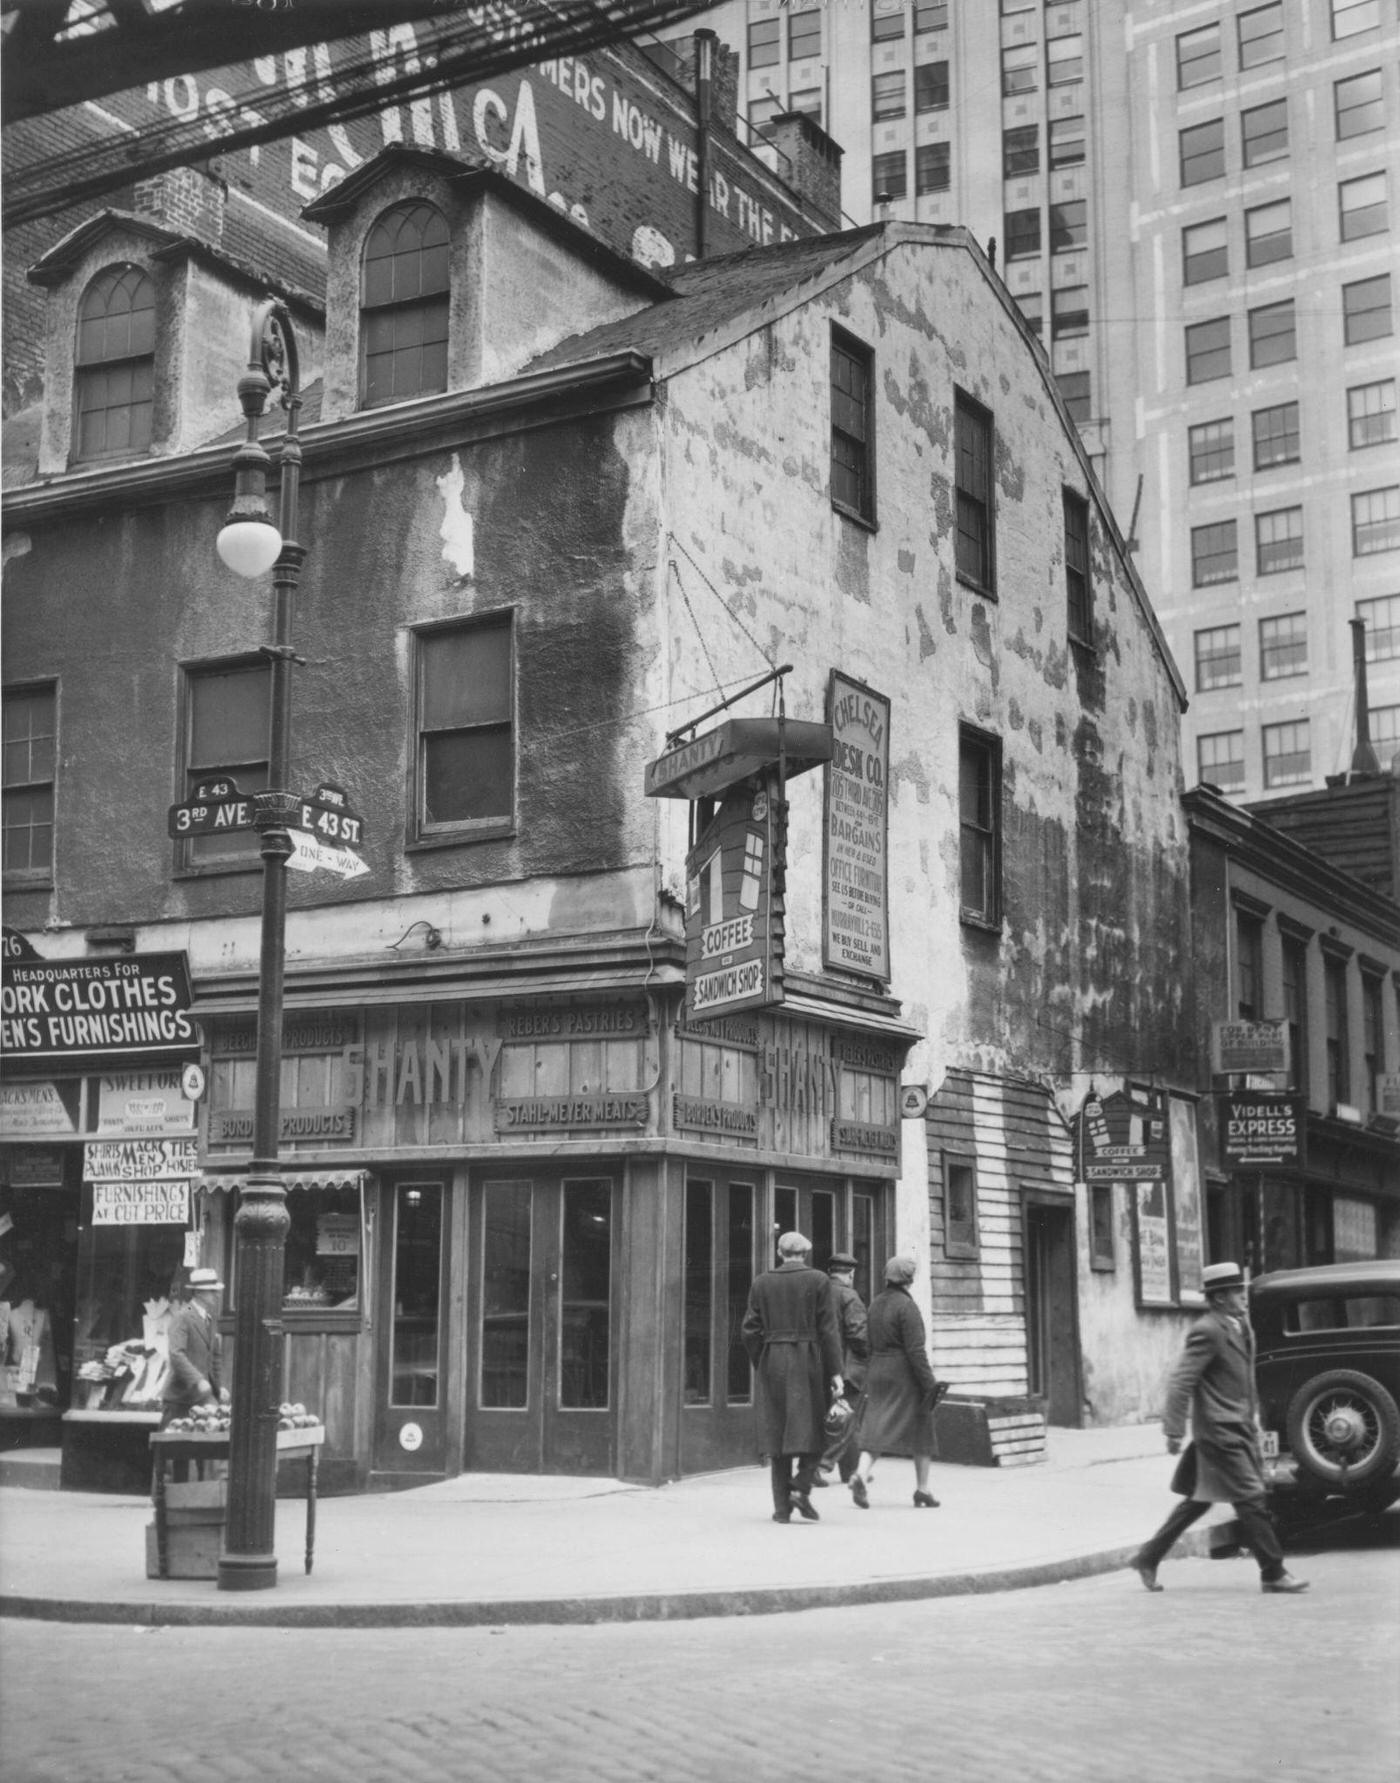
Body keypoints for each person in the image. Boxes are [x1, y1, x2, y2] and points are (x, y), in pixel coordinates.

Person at [1131, 1260, 1308, 1595]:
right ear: (1218, 1298)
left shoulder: (1241, 1327)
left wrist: (1255, 1419)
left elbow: (1244, 1380)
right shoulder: (1207, 1330)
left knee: (1198, 1501)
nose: (1243, 1296)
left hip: (1238, 1427)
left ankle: (1147, 1557)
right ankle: (1273, 1571)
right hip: (1219, 1432)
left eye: (1241, 1289)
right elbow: (1182, 1381)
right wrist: (1173, 1430)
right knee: (1250, 1496)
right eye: (1235, 1291)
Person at [742, 1231, 843, 1524]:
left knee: (777, 1434)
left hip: (773, 1359)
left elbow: (749, 1329)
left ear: (779, 1252)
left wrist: (762, 1358)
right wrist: (836, 1371)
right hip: (809, 1359)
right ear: (806, 1253)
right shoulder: (818, 1280)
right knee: (817, 1428)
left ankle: (781, 1510)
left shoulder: (762, 1281)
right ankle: (801, 1486)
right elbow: (828, 1329)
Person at [848, 1255, 944, 1510]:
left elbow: (866, 1342)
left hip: (877, 1370)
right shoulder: (907, 1307)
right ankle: (923, 1489)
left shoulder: (876, 1304)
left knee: (877, 1424)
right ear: (909, 1279)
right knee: (922, 1425)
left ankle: (860, 1473)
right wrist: (929, 1383)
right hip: (903, 1373)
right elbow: (915, 1350)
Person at [813, 1251, 868, 1488]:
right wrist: (868, 1357)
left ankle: (851, 1471)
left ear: (829, 1272)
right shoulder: (850, 1296)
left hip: (820, 1365)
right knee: (845, 1417)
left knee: (841, 1417)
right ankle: (819, 1466)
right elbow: (859, 1335)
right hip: (848, 1369)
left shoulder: (817, 1293)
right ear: (851, 1274)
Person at [161, 1267, 227, 1427]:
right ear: (198, 1293)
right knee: (170, 1444)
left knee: (213, 1433)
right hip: (180, 1398)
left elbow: (214, 1358)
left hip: (203, 1395)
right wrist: (198, 1381)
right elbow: (176, 1355)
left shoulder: (209, 1319)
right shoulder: (183, 1316)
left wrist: (218, 1388)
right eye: (211, 1291)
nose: (216, 1295)